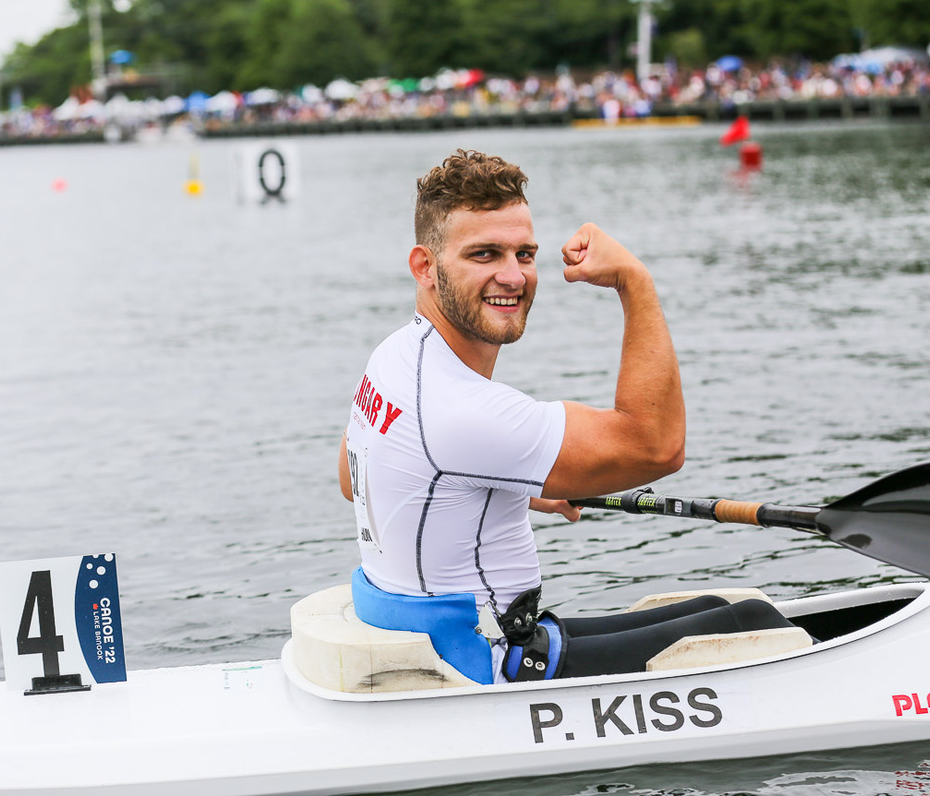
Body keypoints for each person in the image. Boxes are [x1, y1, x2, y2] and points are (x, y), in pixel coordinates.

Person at [339, 149, 795, 684]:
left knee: (722, 606)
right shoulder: (462, 409)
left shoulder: (393, 358)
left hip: (443, 631)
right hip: (486, 667)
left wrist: (500, 483)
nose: (513, 277)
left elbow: (355, 478)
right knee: (751, 622)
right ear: (425, 268)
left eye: (525, 254)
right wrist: (634, 281)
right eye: (484, 255)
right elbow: (656, 446)